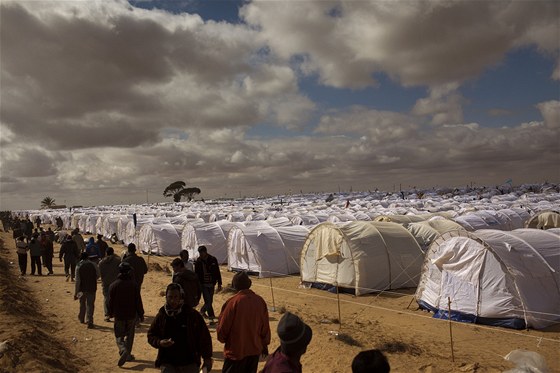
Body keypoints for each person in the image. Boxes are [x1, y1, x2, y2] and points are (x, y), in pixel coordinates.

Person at [147, 283, 213, 373]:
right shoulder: (162, 315)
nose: (173, 300)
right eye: (170, 297)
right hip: (168, 363)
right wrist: (159, 342)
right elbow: (151, 335)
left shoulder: (192, 315)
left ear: (181, 297)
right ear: (166, 297)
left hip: (189, 363)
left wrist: (207, 358)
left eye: (175, 297)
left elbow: (204, 337)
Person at [217, 271, 270, 373]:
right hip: (254, 352)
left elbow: (223, 329)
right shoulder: (260, 301)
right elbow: (265, 328)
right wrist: (264, 345)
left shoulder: (232, 303)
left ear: (234, 286)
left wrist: (223, 339)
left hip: (235, 353)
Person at [108, 261, 144, 367]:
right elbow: (138, 301)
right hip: (131, 315)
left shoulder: (113, 285)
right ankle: (127, 354)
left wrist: (110, 313)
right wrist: (141, 314)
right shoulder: (134, 285)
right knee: (129, 336)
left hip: (119, 315)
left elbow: (110, 302)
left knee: (119, 335)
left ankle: (123, 349)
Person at [194, 245, 222, 323]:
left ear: (205, 252)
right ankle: (205, 313)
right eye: (200, 253)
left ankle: (208, 314)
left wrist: (219, 283)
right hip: (203, 284)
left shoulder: (213, 259)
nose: (201, 254)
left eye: (202, 252)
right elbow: (196, 274)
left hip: (212, 283)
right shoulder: (198, 262)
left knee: (210, 300)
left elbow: (217, 271)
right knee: (208, 301)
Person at [122, 243, 148, 324]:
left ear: (128, 250)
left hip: (128, 283)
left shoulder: (126, 261)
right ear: (135, 250)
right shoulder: (140, 259)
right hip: (138, 283)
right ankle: (138, 316)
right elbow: (145, 270)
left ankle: (133, 318)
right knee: (137, 298)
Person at [75, 252, 100, 329]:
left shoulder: (78, 266)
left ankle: (81, 318)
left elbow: (77, 281)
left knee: (82, 303)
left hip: (82, 289)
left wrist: (76, 293)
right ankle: (90, 321)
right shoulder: (93, 264)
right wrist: (93, 279)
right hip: (92, 287)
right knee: (90, 304)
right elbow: (98, 275)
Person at [99, 247, 121, 322]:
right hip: (115, 282)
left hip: (105, 283)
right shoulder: (117, 261)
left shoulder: (101, 262)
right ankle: (115, 314)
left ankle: (107, 315)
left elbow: (100, 274)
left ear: (106, 253)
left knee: (106, 298)